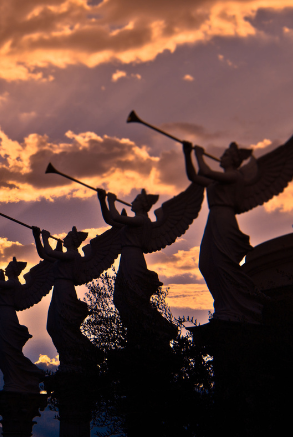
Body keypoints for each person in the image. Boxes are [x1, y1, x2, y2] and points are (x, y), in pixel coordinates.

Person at [183, 141, 266, 324]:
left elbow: (204, 171)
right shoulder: (218, 180)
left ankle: (236, 307)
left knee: (222, 263)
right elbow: (195, 177)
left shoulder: (235, 176)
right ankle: (224, 305)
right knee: (206, 263)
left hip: (224, 218)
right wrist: (187, 154)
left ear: (234, 160)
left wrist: (199, 154)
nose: (222, 156)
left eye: (226, 154)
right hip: (213, 219)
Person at [98, 190, 179, 343]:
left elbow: (115, 216)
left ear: (142, 205)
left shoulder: (142, 220)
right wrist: (102, 200)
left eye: (136, 200)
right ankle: (137, 328)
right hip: (127, 258)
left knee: (134, 296)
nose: (132, 202)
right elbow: (110, 220)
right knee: (121, 297)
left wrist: (111, 201)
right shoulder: (133, 222)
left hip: (133, 259)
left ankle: (152, 328)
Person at [32, 226, 101, 372]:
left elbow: (49, 252)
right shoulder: (64, 256)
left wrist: (44, 237)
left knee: (64, 324)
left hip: (65, 289)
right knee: (53, 325)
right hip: (58, 290)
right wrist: (37, 237)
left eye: (68, 237)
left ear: (73, 241)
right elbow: (45, 254)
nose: (64, 238)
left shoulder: (73, 255)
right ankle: (67, 356)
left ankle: (77, 356)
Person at [0, 257, 44, 394]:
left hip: (7, 315)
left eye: (8, 266)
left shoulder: (13, 283)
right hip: (1, 315)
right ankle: (12, 378)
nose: (5, 268)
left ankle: (19, 378)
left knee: (8, 348)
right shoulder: (7, 283)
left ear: (13, 270)